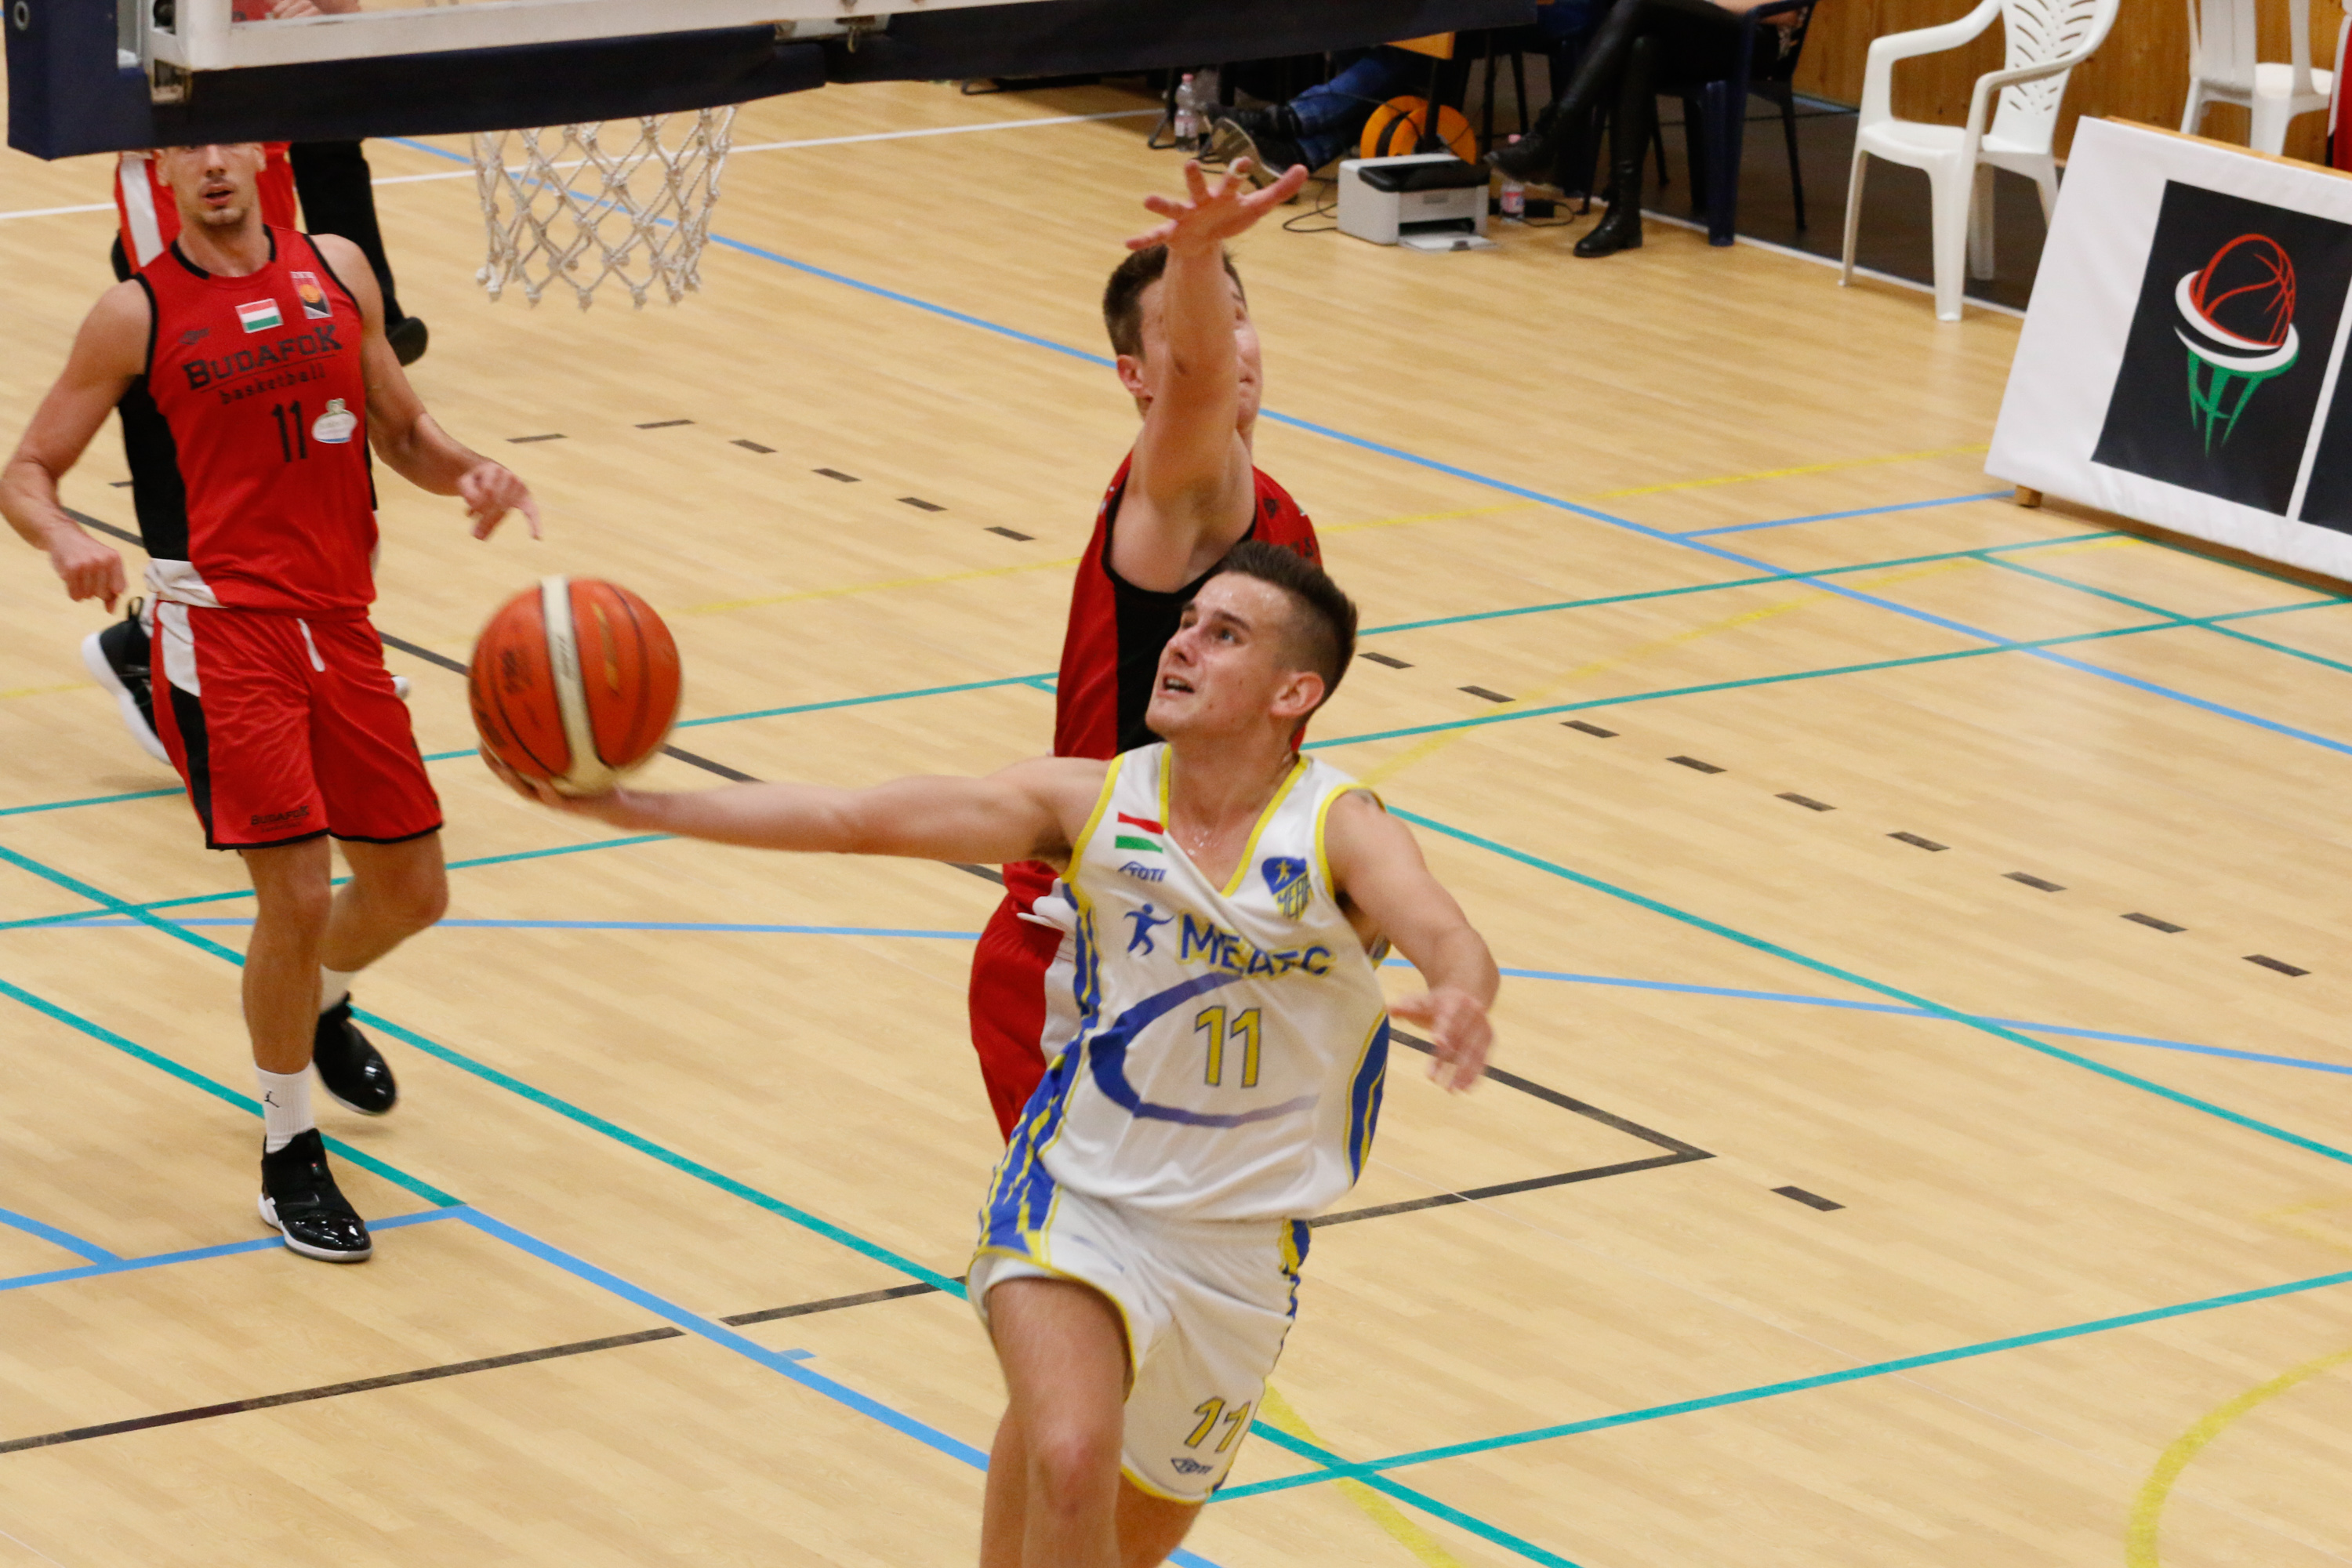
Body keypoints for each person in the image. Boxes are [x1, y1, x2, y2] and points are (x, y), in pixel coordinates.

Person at [488, 542, 1498, 1568]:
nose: (1183, 644)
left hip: (1239, 1253)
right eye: (1187, 622)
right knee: (1070, 1457)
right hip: (1077, 1195)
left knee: (1115, 1545)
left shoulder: (1337, 828)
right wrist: (630, 807)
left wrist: (1462, 988)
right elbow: (852, 820)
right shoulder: (1089, 801)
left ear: (1295, 692)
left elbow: (1445, 928)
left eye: (1224, 634)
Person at [1, 143, 539, 1262]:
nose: (210, 165)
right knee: (293, 892)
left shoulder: (337, 267)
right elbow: (26, 471)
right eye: (184, 152)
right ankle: (289, 1153)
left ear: (262, 154)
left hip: (340, 620)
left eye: (226, 144)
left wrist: (472, 469)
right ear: (156, 174)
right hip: (221, 632)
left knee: (413, 891)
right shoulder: (136, 313)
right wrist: (64, 539)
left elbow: (402, 429)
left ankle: (321, 1001)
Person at [965, 158, 1324, 1142]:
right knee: (1086, 1237)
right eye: (1193, 325)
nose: (1226, 344)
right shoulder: (1181, 494)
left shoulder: (1271, 506)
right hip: (1084, 948)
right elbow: (1198, 389)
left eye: (1239, 316)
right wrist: (1197, 255)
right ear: (1135, 375)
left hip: (1190, 940)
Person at [87, 0, 425, 768]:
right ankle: (170, 664)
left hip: (260, 169)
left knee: (316, 446)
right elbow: (84, 60)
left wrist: (313, 22)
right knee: (215, 456)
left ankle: (301, 654)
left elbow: (345, 21)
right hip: (170, 183)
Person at [1486, 0, 1806, 256]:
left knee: (1637, 4)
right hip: (1697, 28)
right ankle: (1624, 213)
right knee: (1642, 47)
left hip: (1756, 40)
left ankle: (1549, 137)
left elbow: (1787, 14)